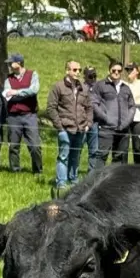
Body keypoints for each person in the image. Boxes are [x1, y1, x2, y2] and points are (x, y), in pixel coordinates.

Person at [47, 60, 93, 190]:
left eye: (79, 70)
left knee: (76, 156)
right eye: (74, 70)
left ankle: (74, 180)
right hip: (65, 128)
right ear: (67, 70)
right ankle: (61, 182)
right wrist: (59, 127)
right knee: (63, 156)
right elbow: (51, 108)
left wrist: (88, 124)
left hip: (81, 129)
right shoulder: (58, 87)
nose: (77, 72)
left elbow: (89, 107)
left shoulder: (84, 88)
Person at [2, 53, 42, 174]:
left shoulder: (32, 75)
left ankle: (37, 170)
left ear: (18, 63)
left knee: (35, 145)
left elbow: (34, 90)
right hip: (13, 116)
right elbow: (6, 94)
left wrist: (16, 92)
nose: (9, 65)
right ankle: (15, 170)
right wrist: (23, 93)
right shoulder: (8, 79)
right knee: (13, 145)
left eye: (11, 63)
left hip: (30, 115)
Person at [92, 60, 136, 168]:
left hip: (123, 129)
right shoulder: (101, 85)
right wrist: (106, 118)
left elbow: (132, 106)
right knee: (101, 156)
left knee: (119, 158)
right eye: (114, 70)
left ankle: (115, 183)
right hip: (106, 128)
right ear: (109, 71)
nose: (116, 73)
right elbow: (94, 104)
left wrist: (127, 121)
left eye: (119, 71)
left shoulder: (126, 88)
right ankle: (97, 181)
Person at [125, 62, 140, 165]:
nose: (128, 72)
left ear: (137, 72)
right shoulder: (125, 84)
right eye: (127, 70)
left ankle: (138, 166)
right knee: (124, 144)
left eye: (131, 69)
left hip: (138, 118)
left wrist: (132, 101)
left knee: (137, 145)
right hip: (126, 118)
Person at [82, 66, 99, 169]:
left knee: (94, 150)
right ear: (85, 76)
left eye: (94, 76)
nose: (93, 78)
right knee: (78, 148)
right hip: (83, 121)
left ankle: (92, 171)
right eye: (90, 76)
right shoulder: (80, 87)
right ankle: (73, 172)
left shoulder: (98, 87)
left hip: (95, 121)